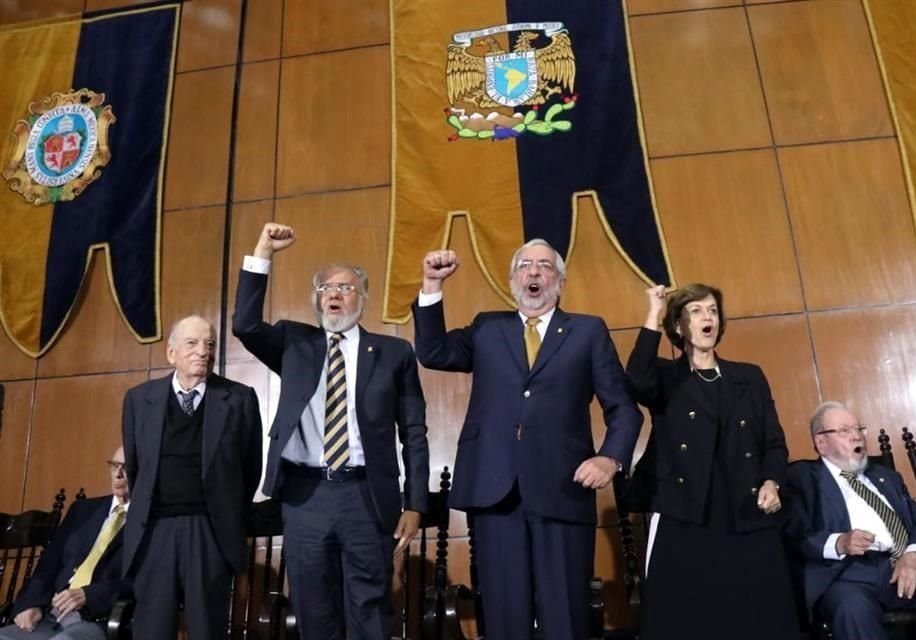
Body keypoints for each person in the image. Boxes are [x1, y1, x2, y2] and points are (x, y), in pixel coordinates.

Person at [412, 241, 642, 640]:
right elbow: (433, 352)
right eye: (525, 266)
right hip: (495, 492)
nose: (534, 273)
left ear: (560, 280)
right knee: (503, 617)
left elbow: (624, 408)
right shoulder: (487, 327)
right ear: (512, 279)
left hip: (563, 490)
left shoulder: (588, 330)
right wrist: (432, 284)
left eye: (544, 266)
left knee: (565, 616)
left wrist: (610, 458)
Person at [232, 223, 429, 640]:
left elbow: (414, 433)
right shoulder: (294, 342)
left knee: (370, 610)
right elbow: (245, 325)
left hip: (367, 497)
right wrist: (262, 250)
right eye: (325, 288)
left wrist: (415, 504)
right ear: (316, 298)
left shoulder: (394, 353)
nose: (334, 295)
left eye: (345, 288)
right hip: (306, 497)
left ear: (363, 298)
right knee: (313, 610)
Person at [626, 283, 802, 639]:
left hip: (745, 509)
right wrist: (653, 313)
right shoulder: (666, 376)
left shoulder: (749, 377)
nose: (707, 317)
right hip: (686, 513)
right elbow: (636, 381)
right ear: (677, 326)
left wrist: (772, 481)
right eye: (695, 311)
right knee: (688, 619)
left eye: (712, 311)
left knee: (759, 615)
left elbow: (774, 442)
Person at [121, 315, 262, 640]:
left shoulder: (240, 399)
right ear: (171, 353)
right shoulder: (139, 400)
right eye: (193, 343)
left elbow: (249, 470)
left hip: (210, 530)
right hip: (154, 530)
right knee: (151, 629)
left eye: (210, 344)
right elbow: (135, 468)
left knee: (206, 629)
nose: (204, 351)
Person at [783, 401, 916, 639]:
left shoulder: (886, 477)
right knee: (852, 609)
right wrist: (839, 542)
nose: (857, 437)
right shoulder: (802, 478)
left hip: (901, 565)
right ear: (821, 443)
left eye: (859, 429)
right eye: (845, 431)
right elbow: (794, 533)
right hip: (846, 575)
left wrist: (914, 555)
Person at [0, 447, 130, 640]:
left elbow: (146, 581)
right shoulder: (83, 510)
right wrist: (30, 603)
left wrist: (89, 595)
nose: (118, 475)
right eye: (114, 466)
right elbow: (48, 564)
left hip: (99, 620)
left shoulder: (154, 523)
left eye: (126, 468)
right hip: (50, 614)